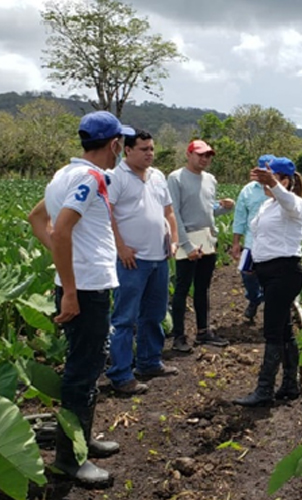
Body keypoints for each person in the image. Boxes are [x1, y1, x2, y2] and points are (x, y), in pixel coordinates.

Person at [27, 111, 134, 486]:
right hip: (85, 289)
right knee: (83, 371)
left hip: (82, 282)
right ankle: (70, 459)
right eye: (122, 143)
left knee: (86, 366)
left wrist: (64, 261)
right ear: (114, 145)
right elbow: (60, 230)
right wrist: (70, 288)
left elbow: (37, 218)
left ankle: (82, 440)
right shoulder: (89, 178)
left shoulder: (64, 174)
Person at [106, 129, 179, 395]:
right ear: (128, 150)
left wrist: (173, 239)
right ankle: (121, 374)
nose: (150, 153)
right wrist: (121, 247)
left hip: (159, 257)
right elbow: (108, 214)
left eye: (151, 149)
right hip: (132, 261)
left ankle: (149, 362)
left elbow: (168, 211)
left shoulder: (158, 176)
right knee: (125, 318)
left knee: (155, 314)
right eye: (144, 149)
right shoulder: (116, 177)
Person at [233, 157, 302, 407]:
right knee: (284, 329)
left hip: (284, 273)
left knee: (272, 332)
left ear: (285, 180)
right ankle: (289, 385)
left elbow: (290, 202)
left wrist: (275, 185)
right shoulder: (267, 205)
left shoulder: (294, 204)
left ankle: (264, 389)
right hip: (268, 273)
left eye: (273, 177)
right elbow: (261, 236)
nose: (265, 183)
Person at [167, 140, 234, 352]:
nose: (204, 159)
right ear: (189, 154)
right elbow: (174, 213)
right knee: (182, 288)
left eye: (208, 156)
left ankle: (203, 332)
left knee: (203, 288)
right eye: (200, 155)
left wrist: (224, 209)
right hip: (187, 238)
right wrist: (186, 245)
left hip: (207, 238)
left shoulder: (210, 179)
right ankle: (179, 336)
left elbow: (207, 210)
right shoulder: (176, 178)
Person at [231, 154, 275, 321]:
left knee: (271, 277)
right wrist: (236, 242)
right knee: (247, 273)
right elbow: (240, 217)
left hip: (273, 244)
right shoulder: (248, 190)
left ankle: (271, 310)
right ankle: (255, 299)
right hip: (251, 242)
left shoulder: (280, 190)